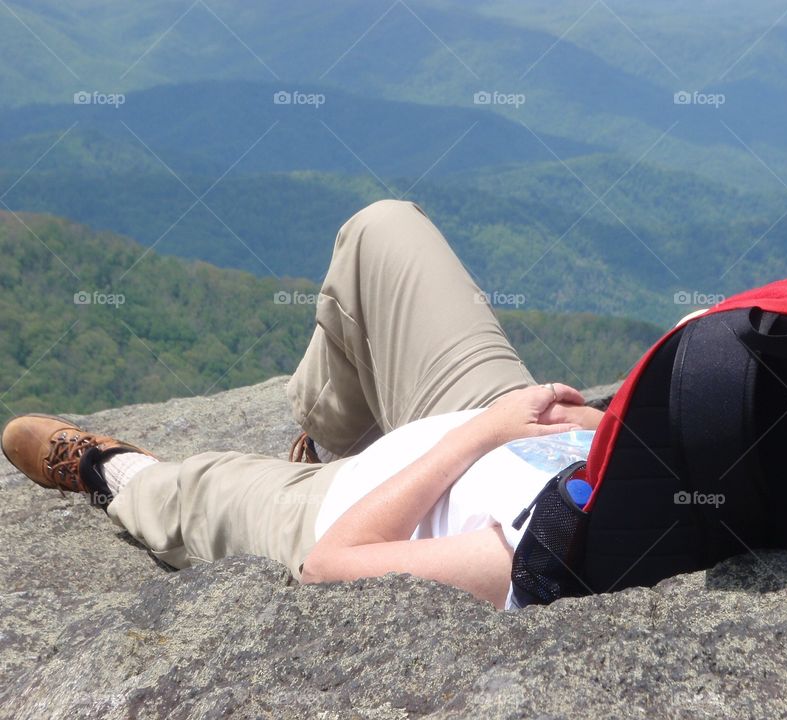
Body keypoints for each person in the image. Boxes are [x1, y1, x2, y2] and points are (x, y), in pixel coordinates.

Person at [2, 200, 604, 610]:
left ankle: (106, 470)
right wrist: (608, 423)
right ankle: (325, 436)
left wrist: (483, 434)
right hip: (519, 428)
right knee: (383, 228)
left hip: (377, 504)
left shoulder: (558, 546)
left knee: (198, 490)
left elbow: (329, 563)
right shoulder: (680, 470)